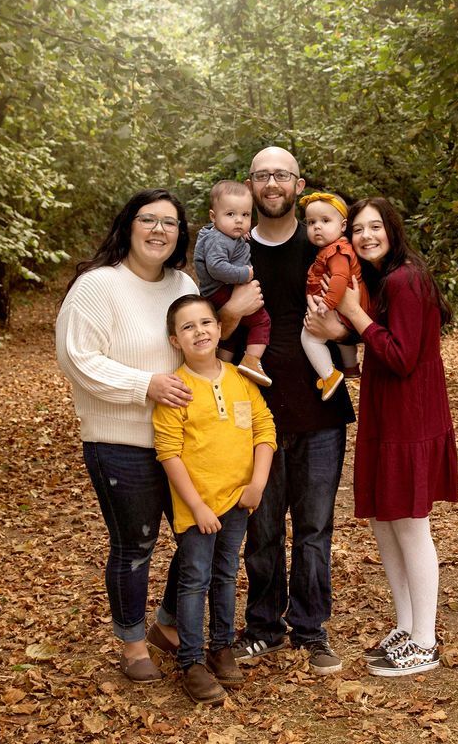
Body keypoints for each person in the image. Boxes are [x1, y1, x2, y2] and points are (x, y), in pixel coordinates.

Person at [218, 146, 355, 675]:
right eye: (262, 175)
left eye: (282, 175)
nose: (272, 183)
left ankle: (311, 628)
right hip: (255, 415)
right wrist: (231, 312)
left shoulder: (322, 240)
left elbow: (356, 315)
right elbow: (210, 336)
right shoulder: (230, 251)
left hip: (321, 411)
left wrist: (338, 330)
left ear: (299, 185)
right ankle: (262, 627)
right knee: (264, 526)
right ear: (250, 186)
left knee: (316, 527)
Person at [55, 188, 198, 684]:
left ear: (181, 235)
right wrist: (147, 385)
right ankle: (133, 642)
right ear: (128, 226)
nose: (159, 230)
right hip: (120, 442)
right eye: (148, 220)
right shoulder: (97, 286)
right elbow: (79, 360)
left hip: (180, 442)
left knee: (198, 536)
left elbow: (195, 342)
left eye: (170, 222)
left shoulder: (181, 283)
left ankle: (167, 623)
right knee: (136, 544)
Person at [335, 197, 458, 677]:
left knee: (409, 524)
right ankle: (407, 626)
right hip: (387, 411)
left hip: (411, 415)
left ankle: (425, 641)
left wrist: (354, 315)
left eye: (375, 227)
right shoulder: (385, 279)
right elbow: (383, 350)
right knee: (385, 522)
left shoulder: (406, 278)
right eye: (358, 229)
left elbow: (403, 356)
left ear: (392, 228)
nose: (366, 236)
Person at [152, 295, 276, 704]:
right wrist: (197, 507)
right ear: (175, 341)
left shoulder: (241, 379)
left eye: (206, 323)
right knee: (194, 581)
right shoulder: (176, 391)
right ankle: (191, 661)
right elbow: (168, 452)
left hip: (239, 502)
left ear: (220, 329)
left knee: (225, 576)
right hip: (197, 508)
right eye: (188, 327)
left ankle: (221, 648)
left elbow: (264, 429)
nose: (199, 331)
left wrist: (257, 483)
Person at [194, 180, 273, 386]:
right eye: (230, 215)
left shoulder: (225, 235)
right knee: (261, 320)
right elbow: (216, 267)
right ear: (214, 217)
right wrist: (244, 274)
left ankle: (221, 364)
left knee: (235, 330)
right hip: (221, 290)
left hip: (221, 291)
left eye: (245, 215)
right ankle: (252, 361)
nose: (239, 221)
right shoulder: (218, 239)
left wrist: (241, 236)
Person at [298, 191, 369, 401]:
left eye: (325, 221)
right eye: (311, 222)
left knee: (309, 337)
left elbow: (339, 278)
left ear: (343, 225)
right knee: (340, 335)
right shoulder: (331, 248)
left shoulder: (336, 251)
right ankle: (351, 367)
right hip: (341, 307)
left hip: (340, 305)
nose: (317, 226)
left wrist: (328, 302)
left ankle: (329, 374)